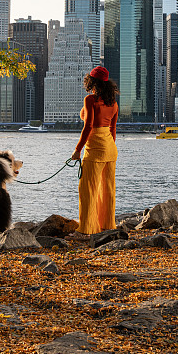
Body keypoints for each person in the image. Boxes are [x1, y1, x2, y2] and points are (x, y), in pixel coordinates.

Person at [67, 66, 119, 240]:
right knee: (107, 189)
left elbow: (88, 126)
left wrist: (77, 150)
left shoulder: (90, 100)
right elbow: (113, 129)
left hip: (95, 148)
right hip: (110, 149)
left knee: (88, 190)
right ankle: (106, 226)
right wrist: (109, 147)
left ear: (92, 82)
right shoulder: (113, 103)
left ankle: (85, 231)